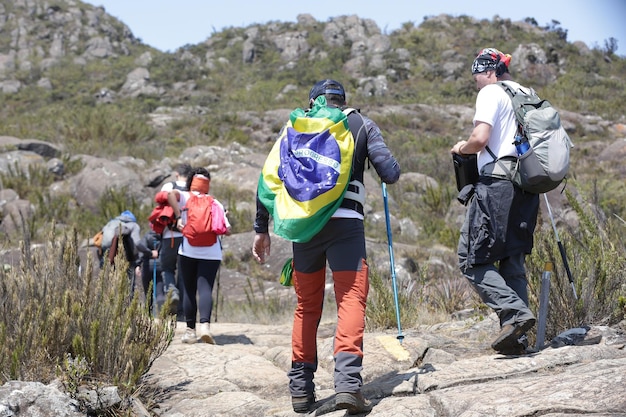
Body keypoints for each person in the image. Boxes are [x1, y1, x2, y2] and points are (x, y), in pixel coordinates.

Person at [252, 79, 401, 414]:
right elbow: (389, 173)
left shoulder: (296, 126)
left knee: (307, 307)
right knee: (350, 300)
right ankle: (348, 386)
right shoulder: (360, 123)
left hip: (305, 228)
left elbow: (267, 178)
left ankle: (301, 392)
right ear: (341, 100)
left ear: (313, 102)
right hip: (347, 226)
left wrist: (261, 229)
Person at [450, 48, 539, 355]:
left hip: (498, 184)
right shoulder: (525, 93)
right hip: (528, 186)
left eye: (477, 76)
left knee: (471, 259)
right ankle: (518, 339)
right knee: (513, 259)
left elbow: (480, 138)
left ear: (488, 71)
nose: (476, 82)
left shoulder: (491, 92)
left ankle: (514, 315)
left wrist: (463, 146)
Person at [167, 167, 231, 344]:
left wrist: (180, 216)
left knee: (188, 290)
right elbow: (228, 230)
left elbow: (170, 195)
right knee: (205, 289)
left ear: (190, 182)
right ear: (207, 184)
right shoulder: (215, 203)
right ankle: (205, 326)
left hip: (188, 251)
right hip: (212, 252)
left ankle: (190, 331)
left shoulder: (185, 197)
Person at [159, 163, 192, 318]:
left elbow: (160, 205)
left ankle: (171, 291)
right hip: (190, 237)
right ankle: (182, 313)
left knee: (167, 267)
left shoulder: (168, 186)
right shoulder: (194, 188)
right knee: (185, 273)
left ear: (177, 173)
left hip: (169, 235)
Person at [99, 210, 149, 297]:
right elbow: (137, 243)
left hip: (112, 257)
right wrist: (148, 252)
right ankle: (127, 307)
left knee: (114, 285)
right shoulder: (134, 225)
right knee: (129, 287)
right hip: (128, 260)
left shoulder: (111, 223)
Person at [137, 229, 164, 314]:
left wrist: (138, 264)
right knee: (160, 293)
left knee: (148, 293)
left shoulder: (147, 236)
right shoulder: (164, 235)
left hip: (147, 266)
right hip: (160, 266)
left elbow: (139, 246)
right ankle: (162, 314)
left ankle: (148, 314)